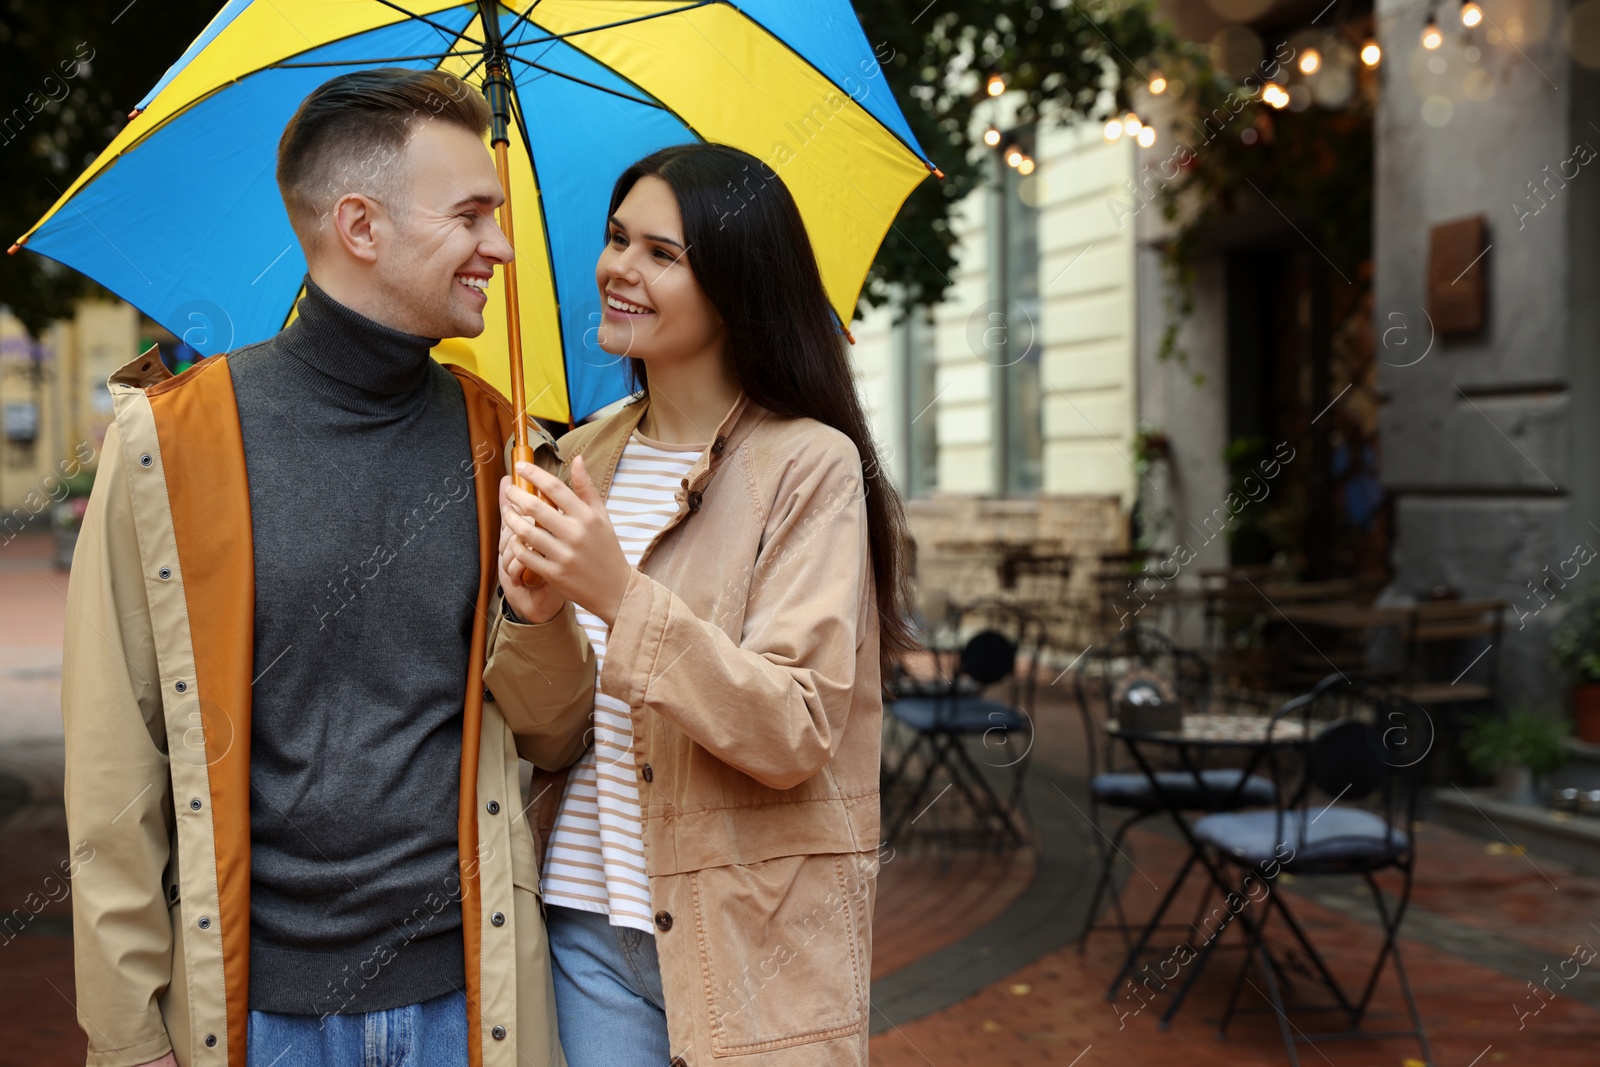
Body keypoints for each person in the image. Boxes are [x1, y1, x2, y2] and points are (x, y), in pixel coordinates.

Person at [60, 69, 593, 1067]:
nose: (502, 246)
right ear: (360, 225)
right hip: (253, 1016)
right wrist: (132, 1038)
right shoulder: (165, 444)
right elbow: (112, 775)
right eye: (472, 214)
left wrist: (540, 614)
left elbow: (556, 738)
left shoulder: (508, 447)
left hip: (469, 1002)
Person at [488, 143, 915, 1067]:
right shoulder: (577, 462)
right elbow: (556, 738)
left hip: (748, 939)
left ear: (734, 282)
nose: (617, 270)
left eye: (660, 253)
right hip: (587, 929)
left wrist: (616, 593)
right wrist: (536, 618)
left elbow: (793, 729)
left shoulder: (808, 465)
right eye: (614, 239)